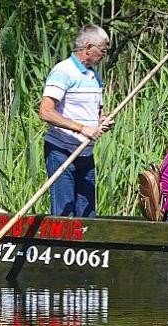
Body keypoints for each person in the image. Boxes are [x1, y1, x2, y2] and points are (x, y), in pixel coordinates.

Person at [38, 25, 115, 217]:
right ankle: (60, 247)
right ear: (88, 47)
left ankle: (86, 248)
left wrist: (102, 120)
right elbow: (46, 112)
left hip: (85, 153)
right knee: (65, 214)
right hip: (61, 151)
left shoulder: (94, 76)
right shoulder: (63, 71)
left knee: (87, 214)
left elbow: (96, 112)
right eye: (103, 50)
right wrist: (82, 128)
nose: (104, 55)